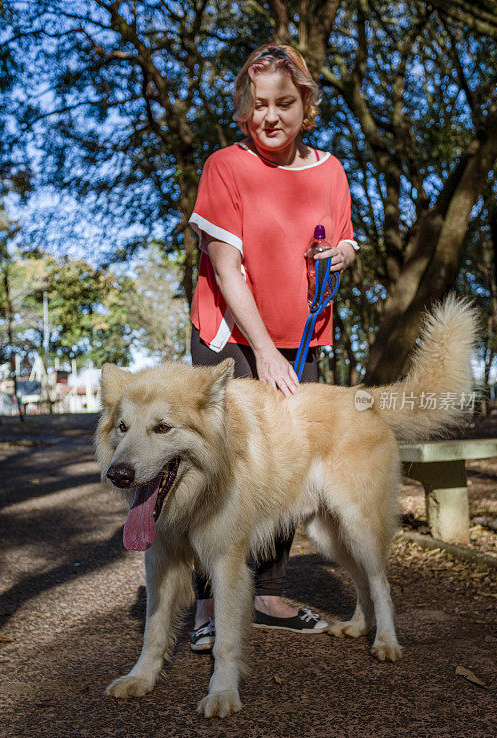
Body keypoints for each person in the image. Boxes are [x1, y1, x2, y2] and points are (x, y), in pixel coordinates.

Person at [187, 43, 358, 652]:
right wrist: (262, 351)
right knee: (224, 464)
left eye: (284, 103)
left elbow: (342, 242)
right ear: (243, 110)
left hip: (302, 336)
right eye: (258, 105)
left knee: (285, 463)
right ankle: (208, 602)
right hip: (234, 338)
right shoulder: (225, 166)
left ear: (305, 105)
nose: (271, 116)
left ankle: (266, 592)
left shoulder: (331, 171)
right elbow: (226, 268)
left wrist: (344, 254)